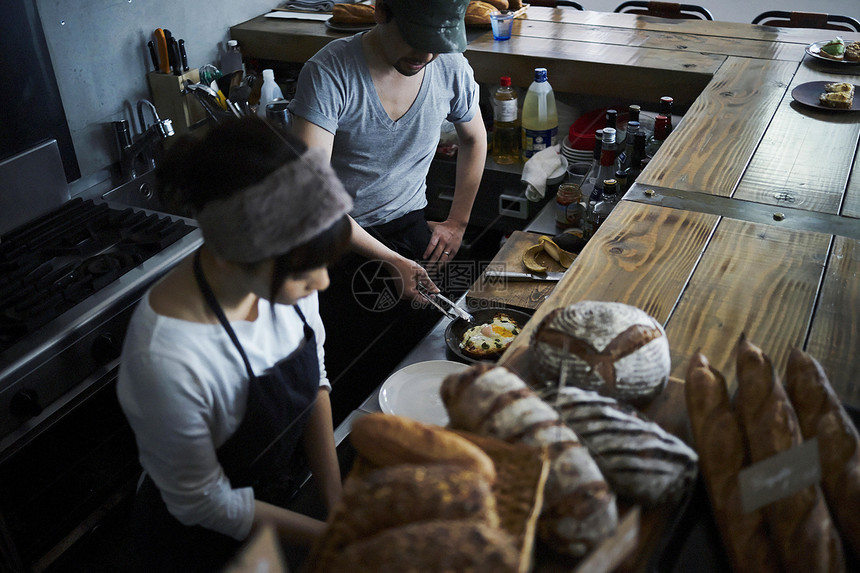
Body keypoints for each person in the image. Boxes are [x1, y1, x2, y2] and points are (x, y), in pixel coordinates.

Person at [116, 117, 352, 572]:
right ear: (233, 256)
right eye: (305, 273)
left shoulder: (282, 276)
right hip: (198, 542)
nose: (321, 282)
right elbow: (203, 504)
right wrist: (327, 535)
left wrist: (336, 505)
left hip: (276, 500)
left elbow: (315, 385)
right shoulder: (167, 356)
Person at [288, 0, 486, 298]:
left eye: (436, 44)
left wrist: (458, 222)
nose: (426, 55)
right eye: (414, 39)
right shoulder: (329, 73)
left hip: (412, 227)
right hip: (340, 238)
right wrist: (390, 259)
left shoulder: (450, 66)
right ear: (381, 10)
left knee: (434, 338)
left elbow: (474, 139)